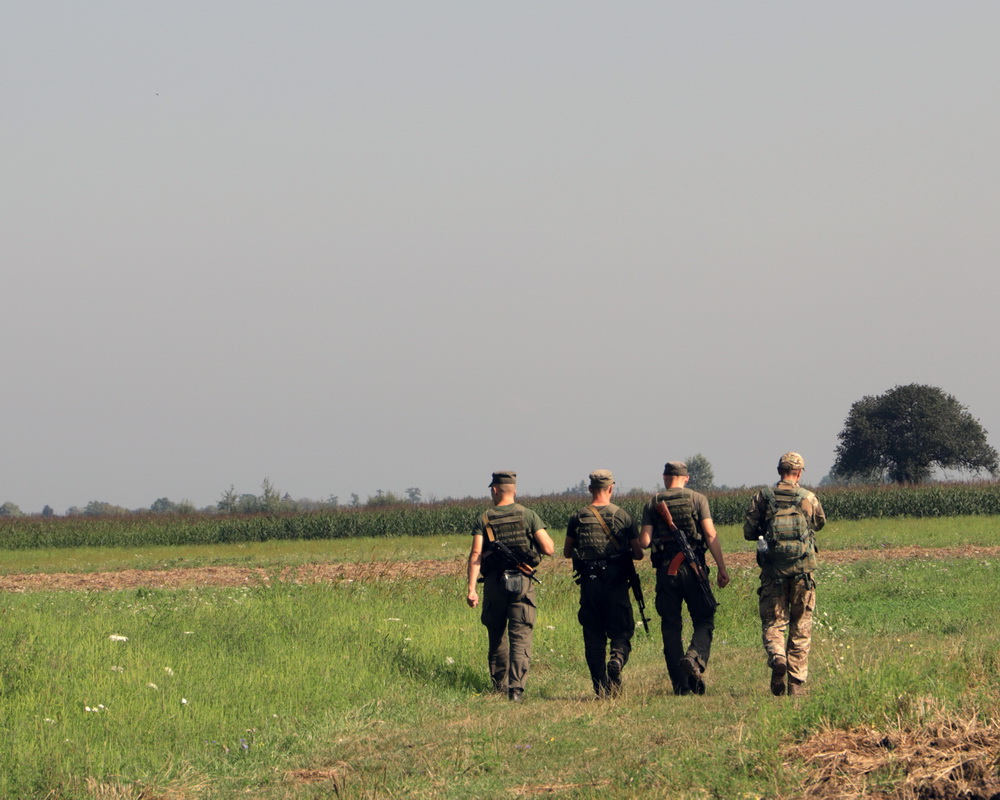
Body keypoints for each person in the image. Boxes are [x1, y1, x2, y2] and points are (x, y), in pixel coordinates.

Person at [639, 461, 730, 695]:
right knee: (704, 618)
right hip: (693, 567)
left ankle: (681, 686)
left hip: (666, 570)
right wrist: (721, 567)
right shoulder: (697, 499)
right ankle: (694, 657)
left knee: (670, 628)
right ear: (686, 478)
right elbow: (709, 534)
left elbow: (645, 542)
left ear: (664, 477)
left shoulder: (653, 502)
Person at [466, 471, 555, 702]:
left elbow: (476, 554)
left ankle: (498, 686)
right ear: (514, 491)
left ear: (494, 490)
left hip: (495, 585)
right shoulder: (528, 515)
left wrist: (472, 589)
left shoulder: (484, 519)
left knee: (496, 636)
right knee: (521, 636)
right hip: (522, 585)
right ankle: (516, 690)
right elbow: (549, 548)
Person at [743, 452, 826, 697]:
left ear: (779, 470)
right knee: (801, 626)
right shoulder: (808, 497)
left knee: (773, 622)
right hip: (803, 572)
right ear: (799, 472)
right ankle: (796, 682)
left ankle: (778, 657)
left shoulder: (763, 497)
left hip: (773, 572)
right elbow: (819, 523)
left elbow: (749, 532)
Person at [563, 469, 643, 697]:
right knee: (622, 630)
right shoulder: (623, 516)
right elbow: (638, 554)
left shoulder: (577, 518)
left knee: (593, 636)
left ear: (590, 489)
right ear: (611, 488)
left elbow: (568, 552)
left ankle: (601, 688)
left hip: (589, 585)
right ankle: (617, 657)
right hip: (616, 584)